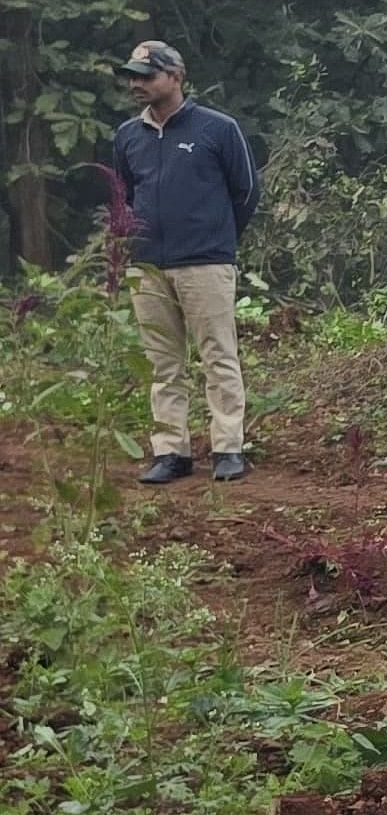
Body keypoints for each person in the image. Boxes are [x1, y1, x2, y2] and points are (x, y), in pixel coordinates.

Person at [109, 41, 259, 486]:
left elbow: (246, 191)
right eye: (133, 76)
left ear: (176, 77)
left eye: (147, 75)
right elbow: (123, 198)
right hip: (148, 266)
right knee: (162, 361)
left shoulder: (218, 128)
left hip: (205, 262)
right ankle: (171, 451)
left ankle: (228, 447)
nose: (137, 84)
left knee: (218, 354)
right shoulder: (127, 136)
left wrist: (218, 239)